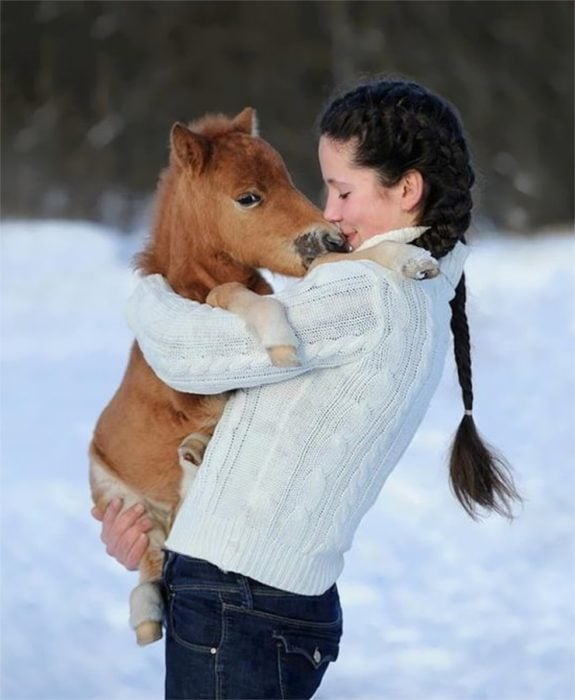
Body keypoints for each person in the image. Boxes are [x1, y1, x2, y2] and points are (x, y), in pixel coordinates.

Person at [93, 78, 520, 699]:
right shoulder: (422, 286)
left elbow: (189, 355)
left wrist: (148, 289)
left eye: (344, 190)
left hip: (239, 603)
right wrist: (160, 517)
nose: (331, 212)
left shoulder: (370, 293)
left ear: (407, 189)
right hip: (259, 600)